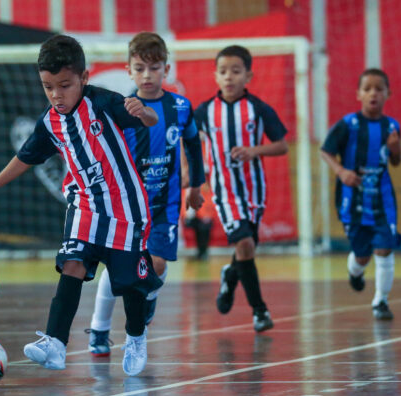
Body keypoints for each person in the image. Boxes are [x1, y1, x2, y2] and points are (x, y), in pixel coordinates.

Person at [0, 35, 163, 376]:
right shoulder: (49, 121)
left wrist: (144, 113)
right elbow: (25, 156)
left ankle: (135, 337)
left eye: (65, 85)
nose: (56, 95)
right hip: (84, 204)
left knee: (129, 284)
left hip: (125, 207)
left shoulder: (103, 102)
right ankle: (55, 344)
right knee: (72, 265)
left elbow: (147, 121)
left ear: (84, 78)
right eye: (48, 87)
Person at [85, 32, 205, 356]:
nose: (147, 75)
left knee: (158, 263)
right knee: (118, 270)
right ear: (129, 70)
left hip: (165, 202)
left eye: (154, 68)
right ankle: (99, 328)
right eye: (140, 68)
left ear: (167, 69)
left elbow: (193, 144)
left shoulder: (180, 106)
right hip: (126, 205)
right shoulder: (120, 108)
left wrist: (195, 184)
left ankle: (149, 297)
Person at [194, 45, 289, 333]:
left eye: (236, 71)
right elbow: (188, 144)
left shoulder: (258, 109)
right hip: (225, 192)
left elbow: (281, 145)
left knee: (246, 246)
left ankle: (230, 275)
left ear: (248, 75)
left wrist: (254, 150)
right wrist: (192, 176)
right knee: (246, 244)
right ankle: (260, 311)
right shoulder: (205, 111)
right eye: (223, 72)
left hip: (254, 192)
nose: (229, 77)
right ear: (215, 76)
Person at [320, 68, 401, 321]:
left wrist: (396, 149)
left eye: (379, 89)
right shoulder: (348, 124)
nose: (373, 93)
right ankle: (355, 272)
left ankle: (381, 301)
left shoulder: (392, 126)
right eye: (367, 89)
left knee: (385, 247)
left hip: (382, 197)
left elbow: (396, 161)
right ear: (358, 94)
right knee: (362, 254)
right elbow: (325, 151)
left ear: (388, 93)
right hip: (352, 198)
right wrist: (341, 170)